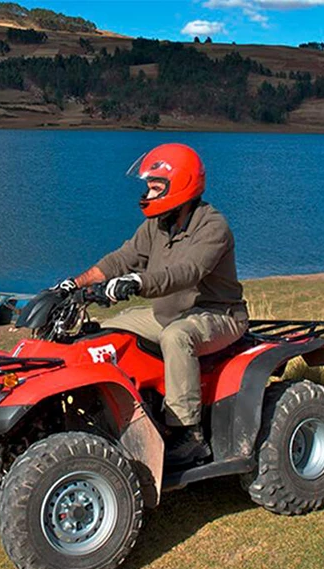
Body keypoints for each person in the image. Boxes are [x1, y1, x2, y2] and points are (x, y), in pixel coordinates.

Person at [56, 143, 248, 464]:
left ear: (182, 184)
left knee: (177, 337)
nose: (149, 192)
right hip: (169, 312)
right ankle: (111, 409)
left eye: (156, 186)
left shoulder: (213, 226)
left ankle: (189, 432)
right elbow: (122, 259)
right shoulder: (156, 225)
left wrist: (138, 282)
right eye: (148, 185)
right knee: (106, 333)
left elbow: (187, 272)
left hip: (219, 315)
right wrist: (73, 284)